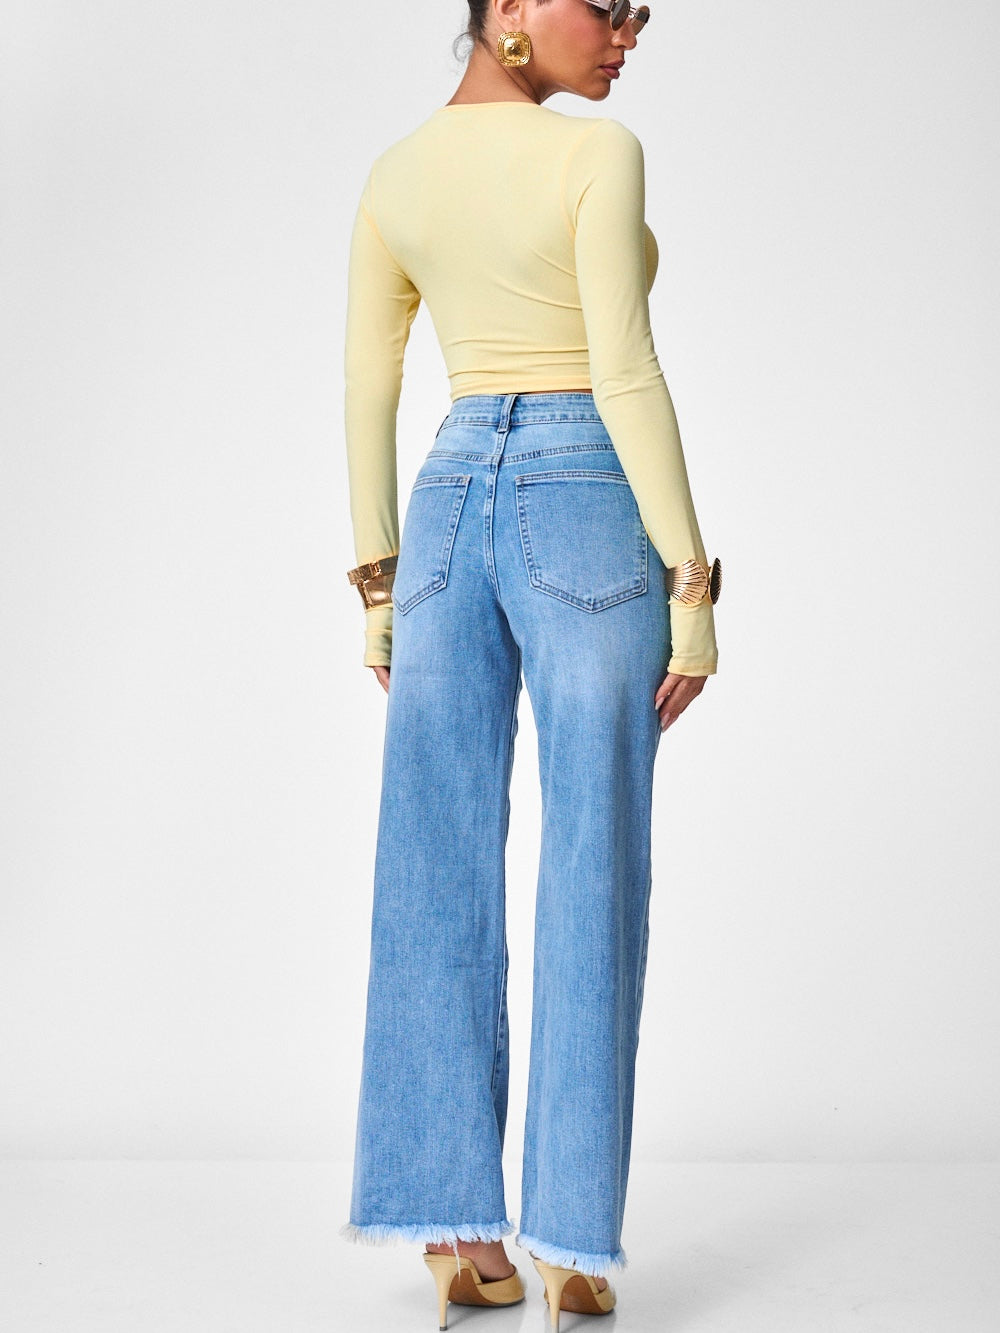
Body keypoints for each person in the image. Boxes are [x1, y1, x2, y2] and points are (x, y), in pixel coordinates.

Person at [339, 0, 721, 1327]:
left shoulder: (396, 173)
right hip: (583, 499)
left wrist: (380, 587)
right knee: (592, 857)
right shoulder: (596, 154)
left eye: (633, 10)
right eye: (600, 5)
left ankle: (457, 1235)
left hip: (445, 507)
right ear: (506, 10)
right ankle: (569, 1244)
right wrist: (691, 582)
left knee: (432, 859)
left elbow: (368, 384)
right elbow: (625, 370)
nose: (625, 30)